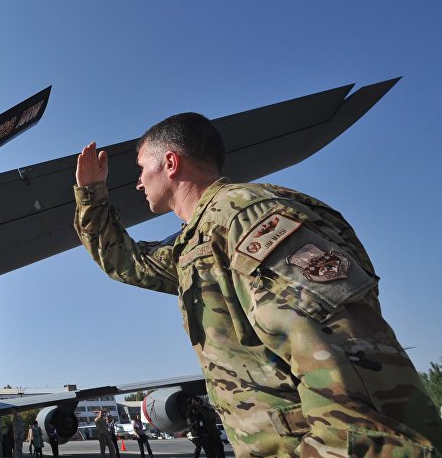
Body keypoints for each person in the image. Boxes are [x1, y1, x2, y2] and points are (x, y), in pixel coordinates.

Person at [74, 112, 442, 457]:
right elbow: (127, 263)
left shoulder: (249, 215)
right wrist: (92, 195)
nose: (138, 182)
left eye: (141, 169)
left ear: (170, 163)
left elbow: (340, 353)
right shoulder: (201, 239)